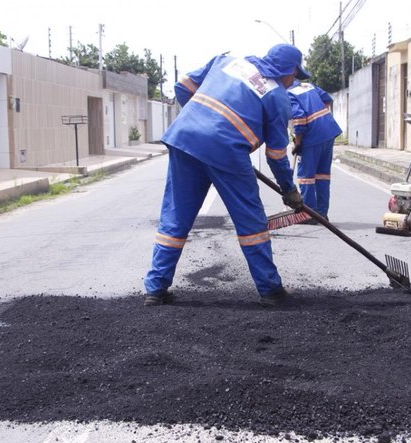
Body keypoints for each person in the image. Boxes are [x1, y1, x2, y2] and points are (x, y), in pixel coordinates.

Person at [143, 44, 310, 307]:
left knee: (175, 217)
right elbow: (277, 155)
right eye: (295, 76)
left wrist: (201, 122)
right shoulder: (277, 97)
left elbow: (182, 88)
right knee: (250, 220)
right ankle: (270, 290)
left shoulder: (225, 61)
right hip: (227, 150)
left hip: (184, 137)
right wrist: (289, 190)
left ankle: (155, 289)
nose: (294, 82)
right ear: (288, 70)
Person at [288, 80, 343, 222]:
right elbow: (327, 99)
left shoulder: (289, 93)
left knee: (306, 177)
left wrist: (298, 142)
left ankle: (308, 214)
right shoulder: (308, 86)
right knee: (322, 176)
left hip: (312, 137)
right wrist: (320, 120)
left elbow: (299, 118)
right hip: (328, 133)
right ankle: (321, 213)